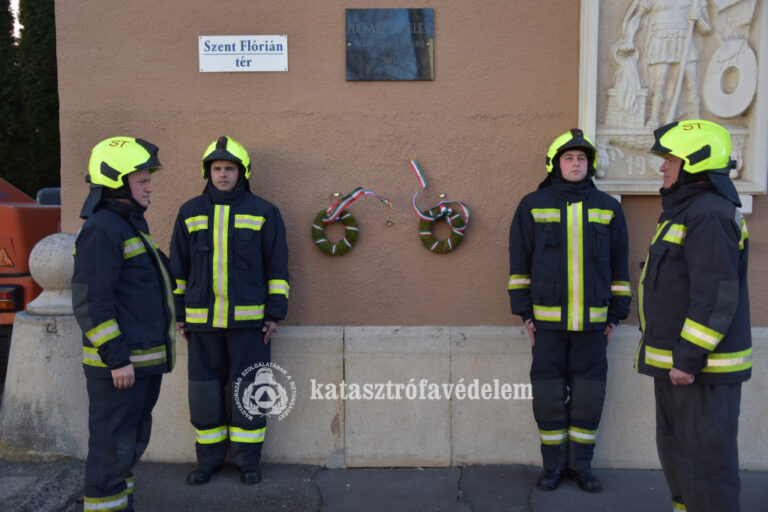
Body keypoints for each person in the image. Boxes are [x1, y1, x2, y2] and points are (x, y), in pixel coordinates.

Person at [507, 129, 631, 493]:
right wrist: (525, 314)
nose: (576, 164)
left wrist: (615, 316)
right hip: (546, 327)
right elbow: (519, 264)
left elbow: (620, 264)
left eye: (581, 159)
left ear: (590, 165)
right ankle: (553, 467)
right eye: (568, 158)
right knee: (547, 399)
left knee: (588, 400)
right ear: (555, 164)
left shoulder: (608, 208)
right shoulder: (532, 205)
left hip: (594, 327)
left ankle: (581, 467)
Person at [637, 119, 750, 511]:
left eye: (670, 160)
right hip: (681, 366)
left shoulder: (709, 214)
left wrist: (687, 358)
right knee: (680, 458)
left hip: (701, 370)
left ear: (696, 163)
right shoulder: (687, 210)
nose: (663, 167)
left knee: (706, 468)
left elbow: (715, 295)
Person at [170, 136, 289, 485]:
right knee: (204, 394)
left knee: (250, 390)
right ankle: (208, 460)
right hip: (201, 322)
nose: (223, 174)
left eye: (230, 169)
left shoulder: (265, 212)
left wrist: (274, 314)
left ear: (242, 173)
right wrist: (179, 314)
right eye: (217, 168)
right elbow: (178, 268)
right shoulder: (189, 212)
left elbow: (277, 266)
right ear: (207, 172)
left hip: (250, 324)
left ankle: (247, 461)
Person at [72, 137, 176, 512]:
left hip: (139, 364)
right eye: (142, 180)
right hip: (120, 367)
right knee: (111, 453)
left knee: (126, 449)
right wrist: (117, 359)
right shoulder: (103, 228)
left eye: (149, 179)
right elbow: (92, 301)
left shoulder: (127, 224)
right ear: (116, 182)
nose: (149, 187)